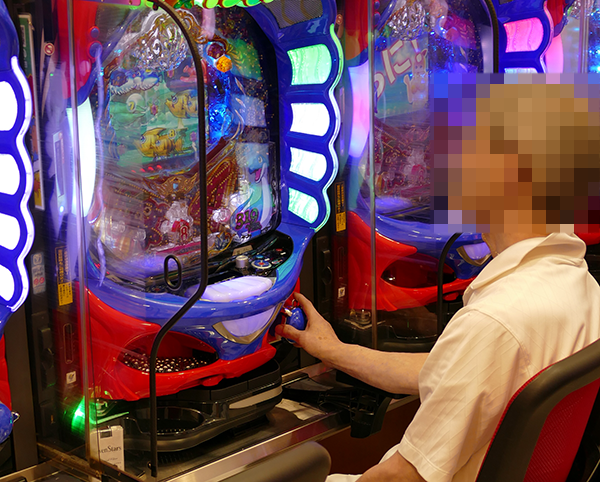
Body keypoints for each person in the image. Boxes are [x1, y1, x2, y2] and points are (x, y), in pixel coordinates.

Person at [275, 80, 600, 482]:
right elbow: (452, 372)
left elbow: (401, 478)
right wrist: (335, 351)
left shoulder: (495, 322)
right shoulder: (577, 282)